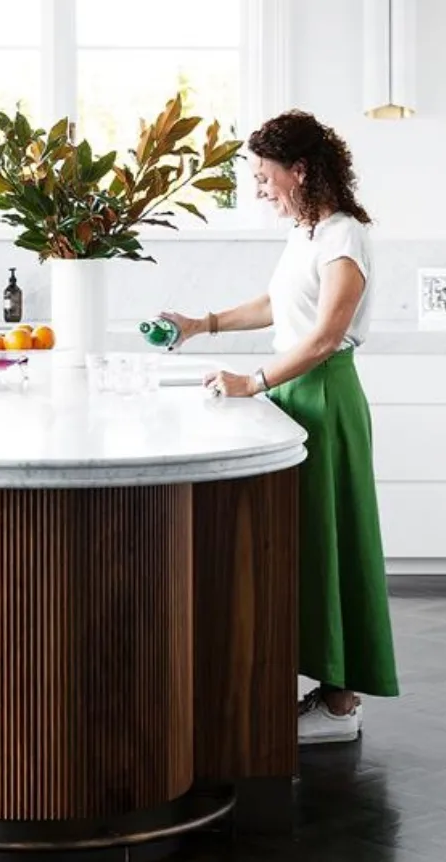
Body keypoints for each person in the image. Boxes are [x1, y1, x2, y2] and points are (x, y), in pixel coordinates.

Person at [162, 109, 398, 744]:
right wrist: (200, 323)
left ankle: (342, 702)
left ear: (299, 171)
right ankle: (319, 687)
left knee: (333, 536)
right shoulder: (308, 232)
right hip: (296, 391)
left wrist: (253, 382)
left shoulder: (345, 236)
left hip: (325, 395)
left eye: (265, 177)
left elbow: (323, 337)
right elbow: (278, 305)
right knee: (303, 539)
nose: (260, 189)